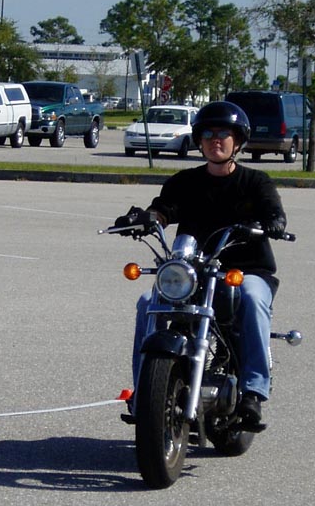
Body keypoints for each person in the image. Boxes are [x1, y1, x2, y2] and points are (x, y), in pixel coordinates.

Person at [115, 100, 288, 432]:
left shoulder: (256, 182)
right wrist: (143, 218)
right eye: (207, 134)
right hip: (194, 273)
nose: (215, 140)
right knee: (148, 303)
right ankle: (144, 394)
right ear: (198, 140)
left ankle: (254, 391)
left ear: (238, 141)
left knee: (253, 298)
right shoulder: (185, 182)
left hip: (246, 271)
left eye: (223, 134)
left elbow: (273, 212)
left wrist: (272, 223)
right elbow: (163, 210)